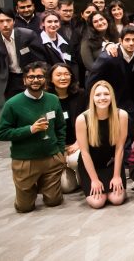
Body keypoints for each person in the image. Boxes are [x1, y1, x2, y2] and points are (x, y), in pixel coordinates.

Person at [0, 62, 67, 213]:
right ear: (24, 80)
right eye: (31, 77)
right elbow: (1, 133)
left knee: (54, 201)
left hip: (51, 158)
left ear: (45, 79)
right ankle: (28, 190)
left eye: (40, 76)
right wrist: (30, 129)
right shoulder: (12, 104)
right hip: (25, 160)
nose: (35, 80)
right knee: (24, 207)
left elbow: (60, 127)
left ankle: (44, 186)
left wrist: (60, 150)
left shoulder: (53, 100)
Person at [75, 81, 128, 208]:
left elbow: (120, 148)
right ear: (92, 97)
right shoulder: (82, 119)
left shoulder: (121, 115)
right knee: (97, 202)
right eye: (98, 95)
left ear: (112, 97)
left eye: (106, 94)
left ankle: (111, 185)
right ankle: (85, 181)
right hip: (91, 165)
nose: (102, 98)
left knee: (117, 199)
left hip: (111, 164)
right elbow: (85, 153)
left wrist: (116, 176)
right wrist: (94, 180)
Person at [0, 8, 47, 100]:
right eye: (1, 21)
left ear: (14, 21)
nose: (5, 24)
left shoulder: (28, 35)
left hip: (29, 75)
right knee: (13, 107)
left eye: (8, 20)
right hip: (10, 79)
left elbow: (39, 57)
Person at [47, 63, 86, 194]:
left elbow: (89, 122)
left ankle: (82, 173)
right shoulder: (46, 99)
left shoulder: (81, 95)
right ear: (51, 79)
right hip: (57, 148)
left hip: (78, 143)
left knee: (76, 161)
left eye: (66, 74)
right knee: (66, 188)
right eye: (58, 75)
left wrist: (78, 143)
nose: (63, 78)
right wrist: (59, 149)